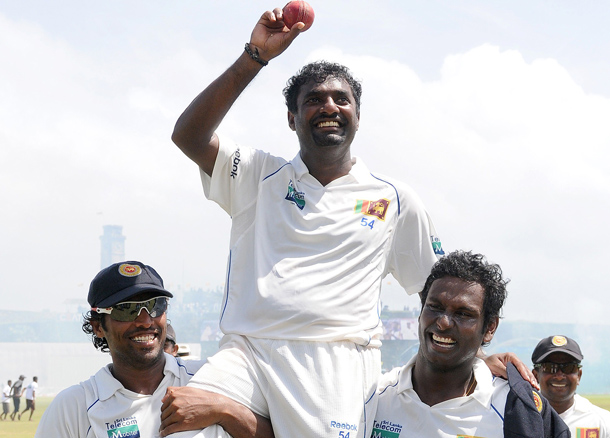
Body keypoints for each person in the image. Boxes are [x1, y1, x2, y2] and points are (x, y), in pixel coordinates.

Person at [168, 6, 443, 438]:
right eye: (313, 99)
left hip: (335, 363)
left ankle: (237, 418)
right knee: (179, 423)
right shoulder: (259, 174)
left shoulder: (393, 199)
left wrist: (480, 358)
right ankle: (230, 410)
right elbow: (189, 136)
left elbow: (440, 289)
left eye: (341, 99)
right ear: (292, 119)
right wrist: (254, 58)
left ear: (357, 115)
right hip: (247, 351)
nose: (328, 106)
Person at [35, 261, 273, 438]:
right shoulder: (74, 407)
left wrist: (223, 410)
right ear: (98, 327)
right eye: (127, 309)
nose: (145, 321)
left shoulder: (208, 378)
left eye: (155, 305)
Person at [372, 250, 569, 437]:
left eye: (463, 314)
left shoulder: (515, 409)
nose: (443, 322)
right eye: (435, 307)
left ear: (490, 328)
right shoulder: (376, 396)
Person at [532, 335, 610, 437]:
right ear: (535, 375)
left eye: (569, 367)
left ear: (579, 376)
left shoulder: (601, 422)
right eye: (550, 367)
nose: (559, 376)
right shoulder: (523, 418)